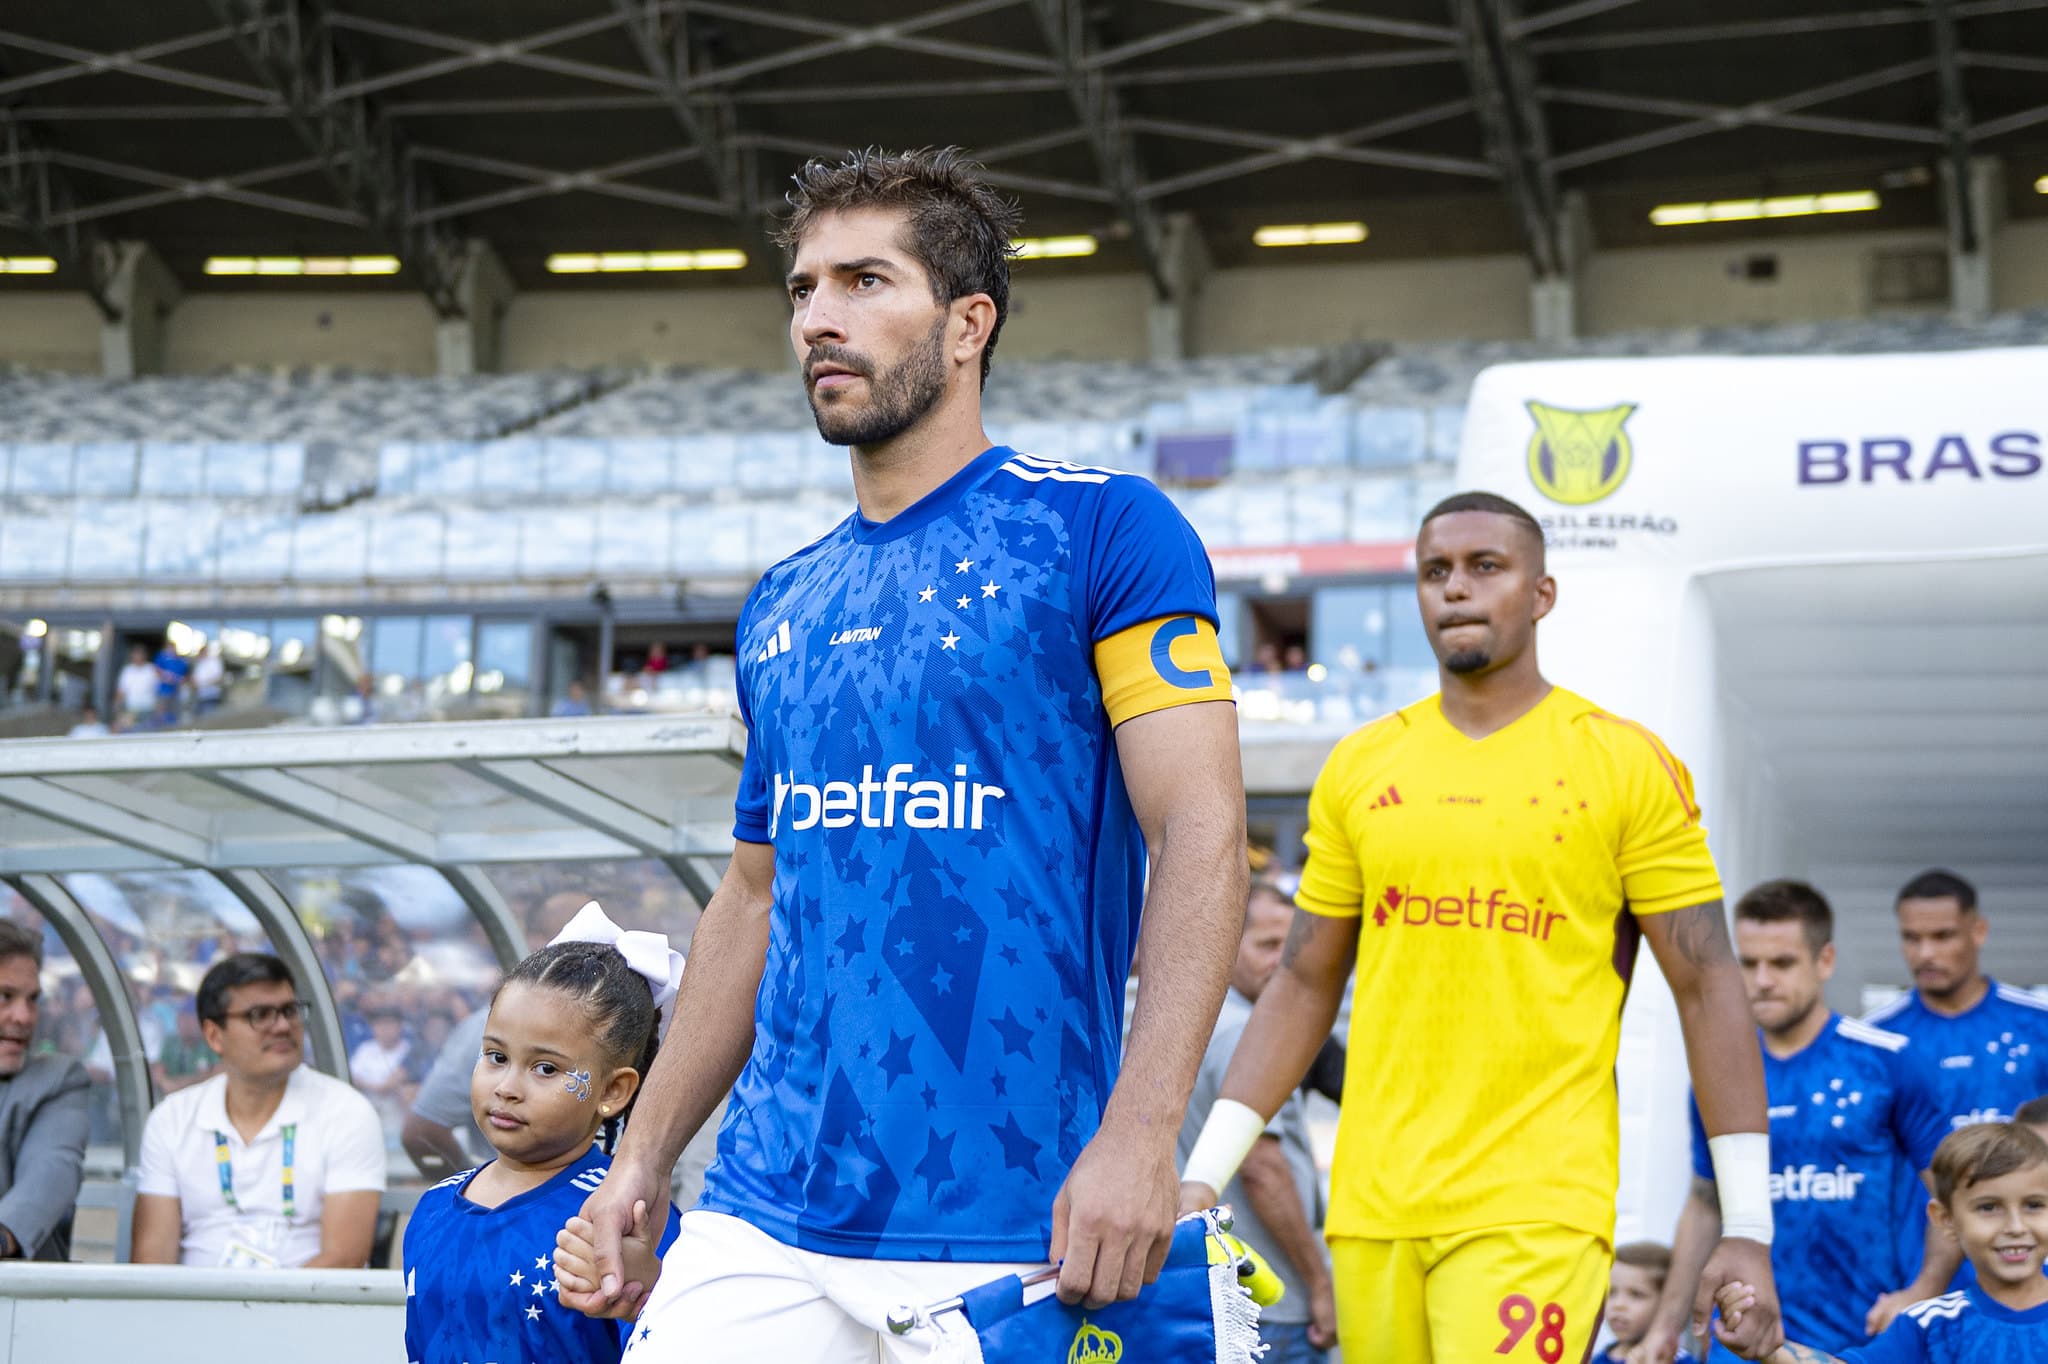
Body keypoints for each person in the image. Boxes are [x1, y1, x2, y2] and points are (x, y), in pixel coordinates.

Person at [564, 146, 1247, 1360]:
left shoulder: (1101, 528)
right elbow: (754, 893)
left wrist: (1145, 1133)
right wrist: (645, 1156)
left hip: (1017, 1214)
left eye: (863, 281)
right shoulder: (781, 600)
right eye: (802, 288)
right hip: (762, 1208)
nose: (816, 319)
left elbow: (1198, 830)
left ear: (967, 322)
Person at [1179, 490, 1780, 1363]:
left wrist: (1749, 1224)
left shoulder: (1623, 763)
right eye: (1435, 571)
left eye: (1485, 567)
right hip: (1375, 1210)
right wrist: (1203, 1176)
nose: (1455, 588)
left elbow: (1708, 985)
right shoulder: (1360, 766)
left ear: (1541, 593)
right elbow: (1304, 983)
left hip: (1535, 1205)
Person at [1646, 881, 1948, 1363]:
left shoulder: (1889, 1060)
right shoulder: (1719, 1073)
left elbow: (1951, 1193)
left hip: (1860, 1339)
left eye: (1782, 963)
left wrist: (1921, 1293)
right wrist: (1665, 1328)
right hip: (1742, 1340)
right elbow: (1704, 1203)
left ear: (1824, 961)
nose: (1762, 980)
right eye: (1748, 964)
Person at [404, 904, 683, 1364]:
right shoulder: (432, 1206)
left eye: (546, 1068)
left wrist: (649, 1290)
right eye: (496, 1057)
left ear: (613, 1090)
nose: (507, 1088)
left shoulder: (626, 1214)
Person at [1861, 869, 2048, 1328]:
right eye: (1912, 938)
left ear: (1978, 931)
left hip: (2030, 1281)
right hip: (1918, 1288)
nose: (1926, 953)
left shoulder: (2038, 1027)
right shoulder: (1875, 1043)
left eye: (1942, 936)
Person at [1712, 1122, 2048, 1363]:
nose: (2015, 1227)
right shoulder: (1929, 1326)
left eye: (2034, 1205)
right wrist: (1770, 1349)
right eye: (1989, 1208)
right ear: (1945, 1219)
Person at [131, 954, 387, 1268]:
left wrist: (262, 1302)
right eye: (260, 1015)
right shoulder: (172, 1119)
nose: (283, 1026)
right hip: (194, 1299)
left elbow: (345, 1256)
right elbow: (151, 1258)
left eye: (290, 1010)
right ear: (214, 1036)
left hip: (308, 1299)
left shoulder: (346, 1113)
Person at [1175, 879, 1334, 1362]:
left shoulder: (1200, 1020)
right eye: (1267, 945)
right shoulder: (1246, 1031)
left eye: (1290, 946)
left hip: (1218, 1288)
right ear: (1227, 943)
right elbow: (1263, 1170)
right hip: (1270, 1299)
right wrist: (1318, 1285)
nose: (1282, 961)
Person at [0, 920, 90, 1261]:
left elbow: (51, 1172)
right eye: (5, 997)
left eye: (33, 999)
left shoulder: (56, 1080)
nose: (23, 1017)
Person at [1601, 1243, 1694, 1364]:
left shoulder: (1677, 1360)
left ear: (1666, 1302)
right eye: (1611, 1292)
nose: (1618, 1305)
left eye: (1636, 1294)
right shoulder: (1595, 1358)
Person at [115, 644, 160, 724]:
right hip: (132, 708)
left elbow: (159, 689)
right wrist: (117, 706)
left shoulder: (151, 669)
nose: (137, 657)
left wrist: (158, 708)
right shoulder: (127, 670)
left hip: (148, 708)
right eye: (135, 655)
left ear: (144, 656)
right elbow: (121, 690)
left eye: (139, 655)